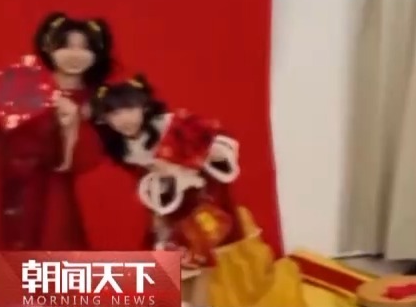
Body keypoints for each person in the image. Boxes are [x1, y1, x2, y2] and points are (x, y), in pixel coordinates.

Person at [0, 12, 112, 307]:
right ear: (48, 47)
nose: (75, 55)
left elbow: (88, 163)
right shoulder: (11, 84)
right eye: (66, 45)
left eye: (85, 47)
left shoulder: (100, 102)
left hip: (49, 212)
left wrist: (72, 124)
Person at [92, 75, 306, 307]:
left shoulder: (175, 126)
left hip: (206, 205)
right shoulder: (124, 148)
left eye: (129, 108)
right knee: (180, 269)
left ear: (143, 105)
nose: (123, 119)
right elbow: (149, 183)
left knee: (208, 267)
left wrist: (179, 164)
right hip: (172, 212)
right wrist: (159, 207)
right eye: (114, 113)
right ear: (105, 119)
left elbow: (218, 152)